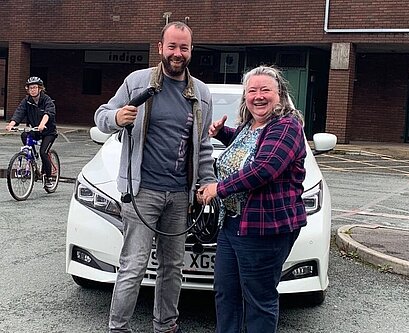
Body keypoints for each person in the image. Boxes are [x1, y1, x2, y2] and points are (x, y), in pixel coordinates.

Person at [94, 21, 216, 333]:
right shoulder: (137, 82)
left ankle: (165, 325)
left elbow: (201, 146)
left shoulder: (200, 92)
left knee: (172, 267)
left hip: (179, 197)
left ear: (191, 51)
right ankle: (118, 328)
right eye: (172, 46)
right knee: (133, 266)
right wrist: (117, 118)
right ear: (160, 48)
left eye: (184, 47)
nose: (178, 53)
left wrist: (203, 185)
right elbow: (101, 116)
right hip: (142, 192)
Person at [198, 65, 307, 333]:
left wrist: (217, 189)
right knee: (226, 294)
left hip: (263, 229)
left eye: (265, 90)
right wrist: (223, 134)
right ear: (245, 96)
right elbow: (248, 146)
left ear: (279, 94)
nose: (258, 96)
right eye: (252, 90)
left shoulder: (286, 126)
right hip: (233, 226)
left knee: (259, 300)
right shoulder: (251, 126)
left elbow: (264, 167)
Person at [5, 76, 57, 187]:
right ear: (27, 89)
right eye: (30, 88)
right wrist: (11, 124)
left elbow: (48, 113)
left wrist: (42, 124)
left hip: (48, 132)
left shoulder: (47, 100)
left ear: (40, 89)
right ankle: (32, 154)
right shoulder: (26, 101)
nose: (32, 90)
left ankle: (48, 178)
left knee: (44, 153)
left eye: (35, 87)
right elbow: (19, 112)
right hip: (35, 130)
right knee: (24, 135)